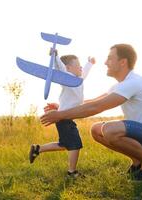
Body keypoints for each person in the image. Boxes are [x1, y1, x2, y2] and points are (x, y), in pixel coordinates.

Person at [40, 44, 142, 181]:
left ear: (123, 62)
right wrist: (62, 107)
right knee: (96, 130)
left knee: (109, 129)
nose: (105, 62)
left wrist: (60, 115)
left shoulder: (133, 83)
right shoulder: (119, 86)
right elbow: (90, 102)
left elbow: (96, 107)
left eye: (110, 59)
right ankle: (137, 162)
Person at [29, 48, 96, 178]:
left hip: (66, 117)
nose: (81, 67)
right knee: (75, 144)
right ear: (69, 68)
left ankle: (37, 149)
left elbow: (85, 73)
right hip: (63, 118)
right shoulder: (67, 78)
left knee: (64, 144)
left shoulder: (78, 80)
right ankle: (71, 173)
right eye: (78, 65)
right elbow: (59, 68)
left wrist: (90, 63)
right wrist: (55, 55)